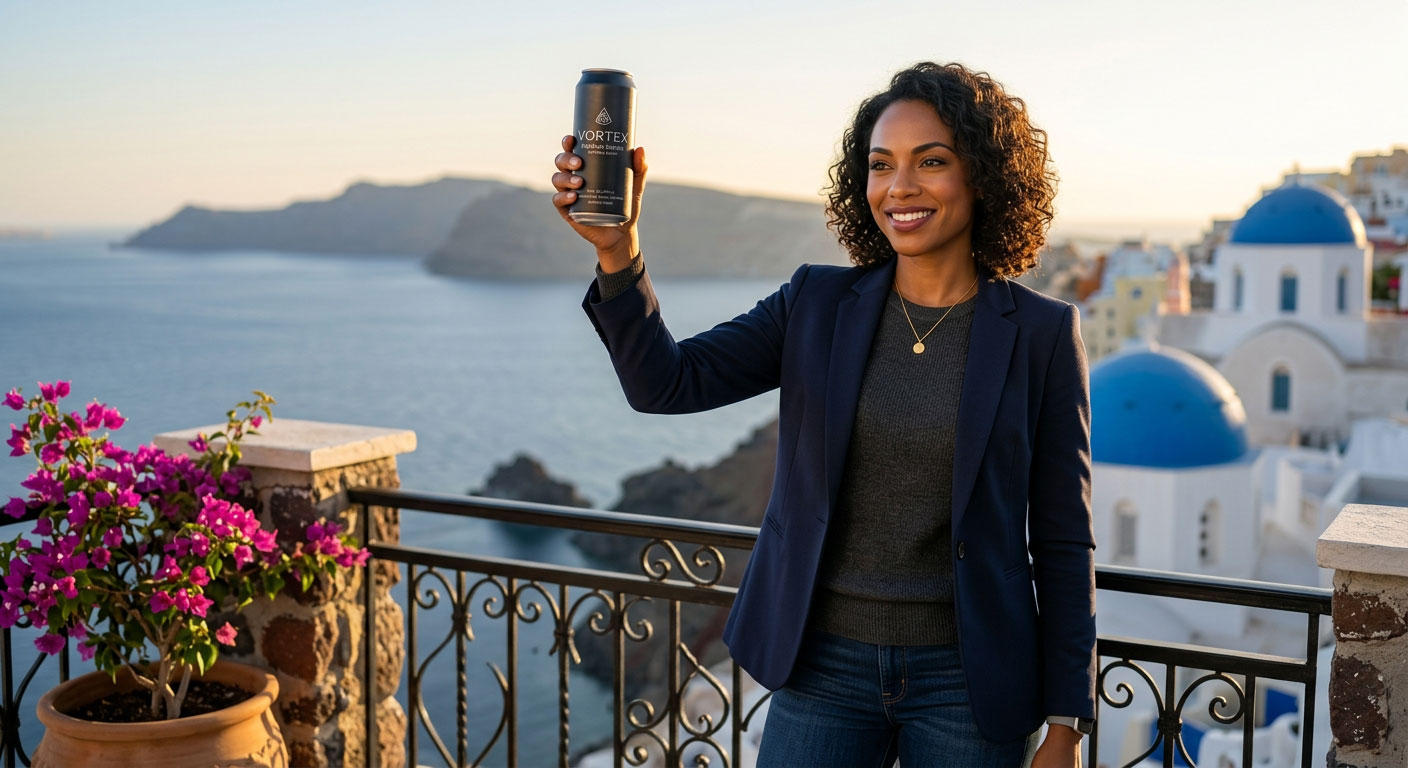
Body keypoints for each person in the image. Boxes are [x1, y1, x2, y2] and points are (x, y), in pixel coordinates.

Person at [551, 61, 1095, 768]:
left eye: (931, 161)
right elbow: (668, 383)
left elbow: (1063, 537)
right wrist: (617, 249)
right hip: (821, 670)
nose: (899, 186)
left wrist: (1066, 722)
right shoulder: (816, 304)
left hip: (969, 681)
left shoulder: (1042, 334)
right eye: (880, 164)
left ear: (984, 177)